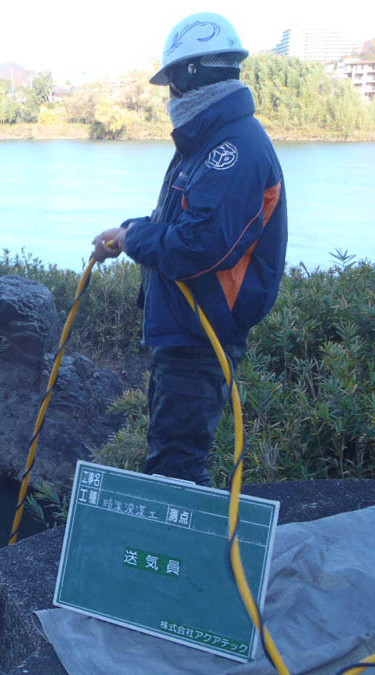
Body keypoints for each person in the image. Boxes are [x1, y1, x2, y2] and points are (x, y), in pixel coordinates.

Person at [92, 12, 287, 487]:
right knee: (170, 457)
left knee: (176, 470)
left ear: (187, 77)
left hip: (202, 336)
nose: (169, 97)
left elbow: (199, 247)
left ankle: (176, 559)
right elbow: (181, 224)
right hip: (184, 328)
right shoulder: (208, 141)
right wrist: (128, 230)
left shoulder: (233, 148)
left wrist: (135, 239)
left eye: (171, 83)